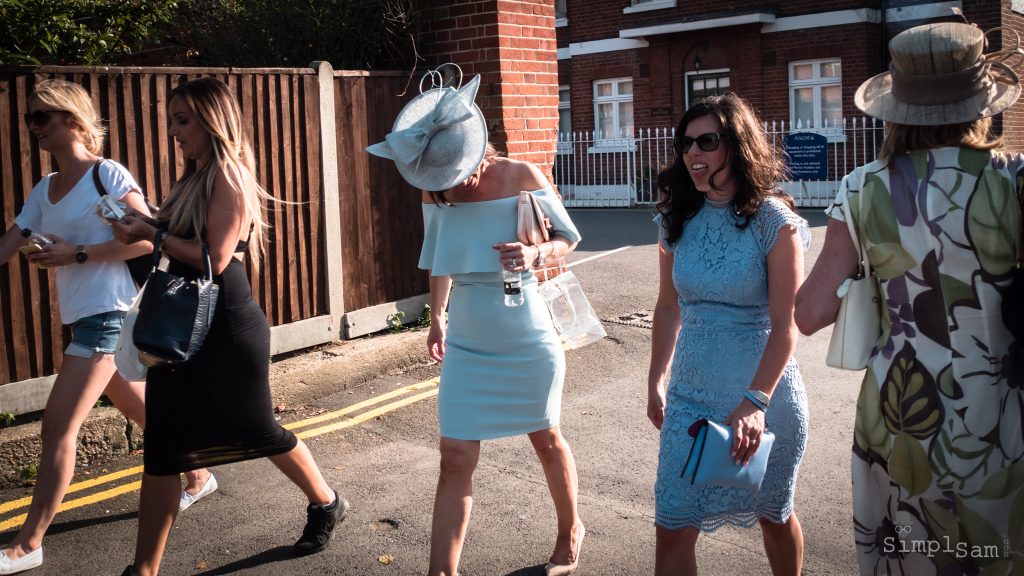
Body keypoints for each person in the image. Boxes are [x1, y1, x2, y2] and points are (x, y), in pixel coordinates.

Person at [794, 21, 1024, 575]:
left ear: (895, 108)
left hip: (901, 410)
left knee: (915, 555)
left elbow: (808, 314)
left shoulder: (859, 188)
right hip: (1001, 406)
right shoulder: (1014, 180)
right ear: (980, 103)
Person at [110, 77, 346, 576]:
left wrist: (152, 231)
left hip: (226, 329)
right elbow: (176, 239)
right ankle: (143, 570)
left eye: (182, 120)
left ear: (212, 121)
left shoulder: (229, 175)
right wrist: (143, 224)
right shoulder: (193, 178)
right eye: (172, 119)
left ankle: (326, 501)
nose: (173, 131)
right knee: (163, 445)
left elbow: (214, 258)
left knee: (258, 429)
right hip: (180, 326)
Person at [366, 69, 585, 576]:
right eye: (440, 174)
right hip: (467, 339)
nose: (453, 183)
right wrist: (436, 317)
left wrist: (534, 254)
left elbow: (569, 238)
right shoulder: (434, 191)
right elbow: (440, 257)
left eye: (457, 169)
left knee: (546, 438)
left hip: (527, 333)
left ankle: (570, 529)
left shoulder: (523, 175)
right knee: (455, 457)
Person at [0, 79, 211, 576]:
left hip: (109, 311)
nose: (32, 127)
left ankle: (28, 543)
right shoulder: (45, 188)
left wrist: (75, 253)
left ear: (72, 119)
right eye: (30, 118)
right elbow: (10, 242)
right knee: (137, 405)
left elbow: (145, 241)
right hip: (78, 314)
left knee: (58, 425)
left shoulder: (106, 176)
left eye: (40, 117)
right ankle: (198, 474)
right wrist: (40, 249)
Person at [646, 93, 810, 576]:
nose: (693, 154)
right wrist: (656, 377)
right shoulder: (675, 220)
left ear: (736, 146)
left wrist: (754, 402)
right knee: (672, 524)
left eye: (708, 142)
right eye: (686, 144)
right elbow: (668, 305)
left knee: (774, 517)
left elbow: (787, 326)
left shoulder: (773, 222)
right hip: (690, 399)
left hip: (764, 399)